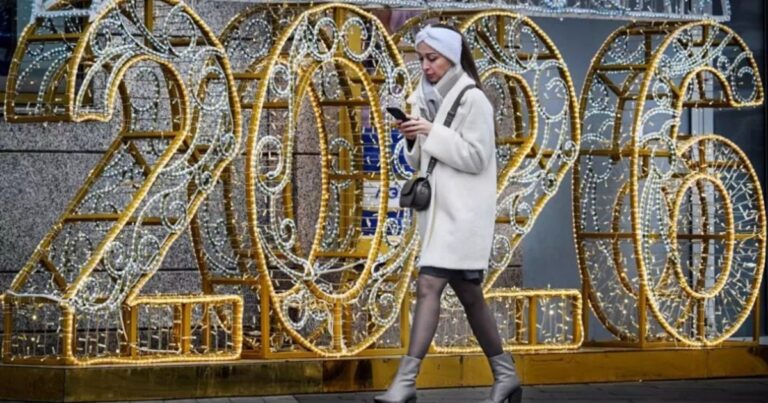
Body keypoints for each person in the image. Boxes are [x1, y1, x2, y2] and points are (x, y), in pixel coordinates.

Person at [374, 24, 522, 403]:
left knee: (428, 286)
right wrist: (414, 137)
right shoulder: (425, 99)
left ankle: (405, 383)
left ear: (452, 57)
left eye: (433, 58)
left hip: (464, 217)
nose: (425, 66)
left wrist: (431, 131)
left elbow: (476, 157)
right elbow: (420, 162)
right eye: (421, 58)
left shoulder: (474, 100)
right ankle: (506, 375)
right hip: (440, 217)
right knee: (470, 297)